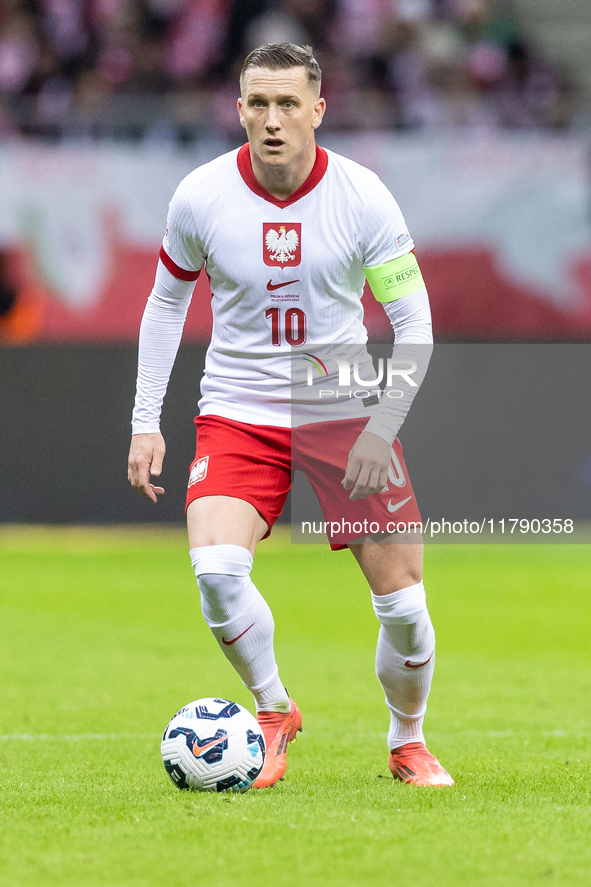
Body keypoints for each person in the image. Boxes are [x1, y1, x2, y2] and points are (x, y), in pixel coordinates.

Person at [128, 42, 454, 788]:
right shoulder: (201, 195)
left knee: (403, 604)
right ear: (238, 108)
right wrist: (146, 417)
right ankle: (273, 709)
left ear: (317, 109)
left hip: (337, 398)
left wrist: (380, 429)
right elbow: (166, 301)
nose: (271, 120)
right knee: (215, 570)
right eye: (257, 104)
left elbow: (415, 327)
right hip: (237, 401)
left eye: (286, 104)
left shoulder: (362, 196)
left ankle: (407, 739)